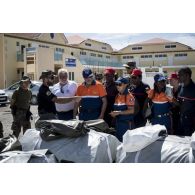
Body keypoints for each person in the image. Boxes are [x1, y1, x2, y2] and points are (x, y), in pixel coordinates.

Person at [110, 77, 135, 142]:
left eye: (120, 84)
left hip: (126, 126)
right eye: (116, 84)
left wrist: (118, 112)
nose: (117, 86)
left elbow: (132, 110)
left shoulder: (129, 96)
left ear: (125, 85)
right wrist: (114, 114)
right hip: (118, 125)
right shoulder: (117, 96)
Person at [177, 67, 195, 136]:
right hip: (181, 122)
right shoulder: (181, 87)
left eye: (180, 75)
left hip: (191, 125)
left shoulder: (194, 88)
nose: (178, 77)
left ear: (187, 75)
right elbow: (180, 104)